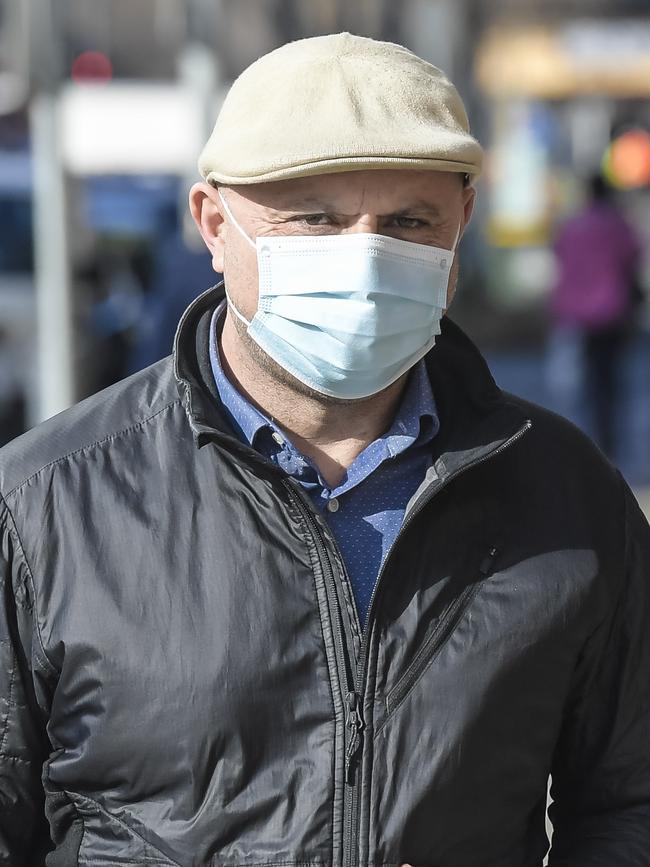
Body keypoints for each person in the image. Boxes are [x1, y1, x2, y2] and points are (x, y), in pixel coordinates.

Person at [0, 33, 649, 867]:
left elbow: (628, 797)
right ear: (213, 221)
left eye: (410, 222)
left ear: (462, 226)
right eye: (315, 219)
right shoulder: (44, 505)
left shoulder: (567, 495)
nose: (366, 255)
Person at [549, 173, 643, 457]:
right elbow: (634, 257)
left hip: (578, 312)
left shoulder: (573, 227)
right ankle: (609, 435)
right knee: (611, 376)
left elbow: (560, 258)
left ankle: (588, 436)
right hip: (613, 311)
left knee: (585, 377)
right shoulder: (618, 224)